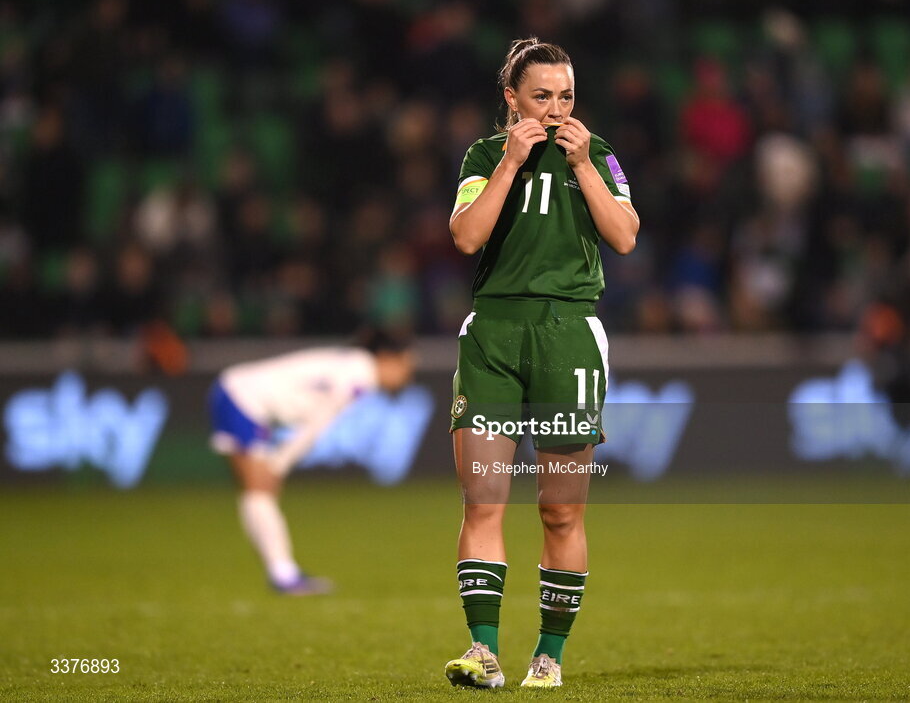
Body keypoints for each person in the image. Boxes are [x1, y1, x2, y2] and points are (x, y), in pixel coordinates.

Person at [443, 38, 639, 688]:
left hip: (568, 337)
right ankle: (483, 650)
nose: (556, 110)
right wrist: (511, 164)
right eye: (541, 97)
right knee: (484, 499)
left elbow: (624, 235)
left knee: (560, 511)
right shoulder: (484, 155)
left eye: (566, 97)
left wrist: (583, 165)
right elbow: (467, 236)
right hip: (495, 334)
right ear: (512, 99)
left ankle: (549, 654)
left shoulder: (599, 153)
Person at [207, 330, 414, 595]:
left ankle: (282, 572)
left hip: (237, 392)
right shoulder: (360, 372)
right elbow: (319, 421)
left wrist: (280, 460)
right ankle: (283, 574)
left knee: (257, 491)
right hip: (242, 398)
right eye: (406, 364)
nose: (408, 375)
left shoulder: (354, 365)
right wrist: (281, 461)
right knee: (259, 489)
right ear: (386, 358)